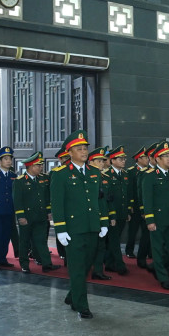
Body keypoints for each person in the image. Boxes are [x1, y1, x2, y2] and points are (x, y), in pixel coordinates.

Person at [51, 131, 107, 318]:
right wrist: (60, 228)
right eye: (79, 149)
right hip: (73, 229)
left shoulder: (94, 172)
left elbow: (100, 200)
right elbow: (57, 203)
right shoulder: (60, 174)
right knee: (76, 267)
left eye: (85, 148)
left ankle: (73, 294)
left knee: (87, 266)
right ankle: (81, 306)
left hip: (92, 227)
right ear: (70, 152)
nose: (84, 151)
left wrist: (103, 222)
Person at [142, 141, 169, 290]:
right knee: (157, 249)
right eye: (165, 156)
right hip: (158, 219)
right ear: (157, 159)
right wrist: (150, 219)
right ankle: (163, 277)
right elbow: (147, 199)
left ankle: (158, 267)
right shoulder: (150, 176)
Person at [12, 152, 55, 274]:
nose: (41, 168)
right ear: (30, 167)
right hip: (27, 217)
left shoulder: (42, 179)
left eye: (41, 165)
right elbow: (17, 201)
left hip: (40, 216)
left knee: (41, 240)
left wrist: (48, 211)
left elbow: (46, 197)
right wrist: (20, 216)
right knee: (24, 242)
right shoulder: (19, 181)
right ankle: (24, 264)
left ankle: (47, 264)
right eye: (38, 165)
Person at [87, 147, 113, 281]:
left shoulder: (105, 177)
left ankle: (98, 270)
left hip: (101, 217)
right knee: (88, 247)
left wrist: (107, 219)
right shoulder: (86, 177)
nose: (102, 163)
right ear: (90, 162)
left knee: (101, 246)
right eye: (98, 161)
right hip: (89, 218)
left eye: (103, 161)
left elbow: (107, 200)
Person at [104, 146, 130, 275]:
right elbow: (108, 198)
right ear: (112, 160)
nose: (123, 161)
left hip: (122, 212)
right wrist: (111, 215)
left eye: (124, 158)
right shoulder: (107, 174)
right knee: (114, 240)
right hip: (112, 214)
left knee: (116, 239)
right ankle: (120, 264)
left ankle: (109, 263)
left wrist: (128, 211)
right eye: (120, 159)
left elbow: (127, 194)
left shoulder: (125, 174)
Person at [136, 142, 159, 270]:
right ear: (150, 158)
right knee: (146, 236)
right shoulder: (144, 172)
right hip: (149, 209)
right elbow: (141, 192)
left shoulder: (163, 171)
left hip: (161, 210)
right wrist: (143, 210)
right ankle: (141, 258)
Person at [125, 146, 148, 258]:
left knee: (146, 230)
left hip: (145, 205)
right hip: (135, 206)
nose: (147, 159)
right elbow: (130, 190)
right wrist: (130, 205)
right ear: (138, 159)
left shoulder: (148, 171)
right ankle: (129, 250)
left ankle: (145, 252)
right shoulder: (131, 171)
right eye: (144, 157)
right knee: (133, 231)